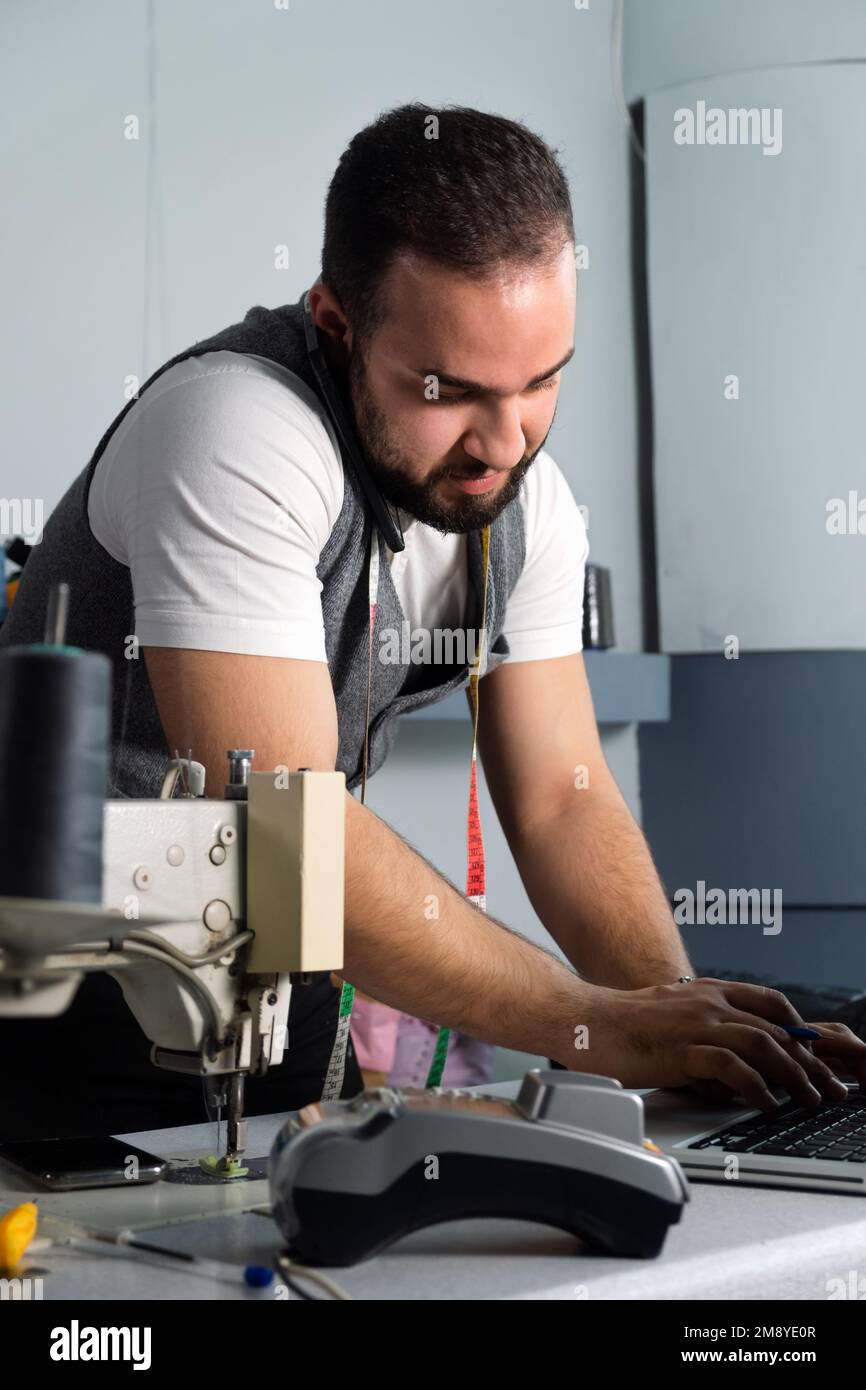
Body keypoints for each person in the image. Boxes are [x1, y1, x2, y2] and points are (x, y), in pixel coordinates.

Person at [2, 102, 865, 1141]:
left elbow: (559, 801)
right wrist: (588, 1022)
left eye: (541, 380)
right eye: (447, 389)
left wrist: (674, 1018)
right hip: (54, 1011)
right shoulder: (232, 427)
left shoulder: (523, 503)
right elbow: (290, 828)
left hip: (269, 998)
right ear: (336, 323)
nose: (503, 441)